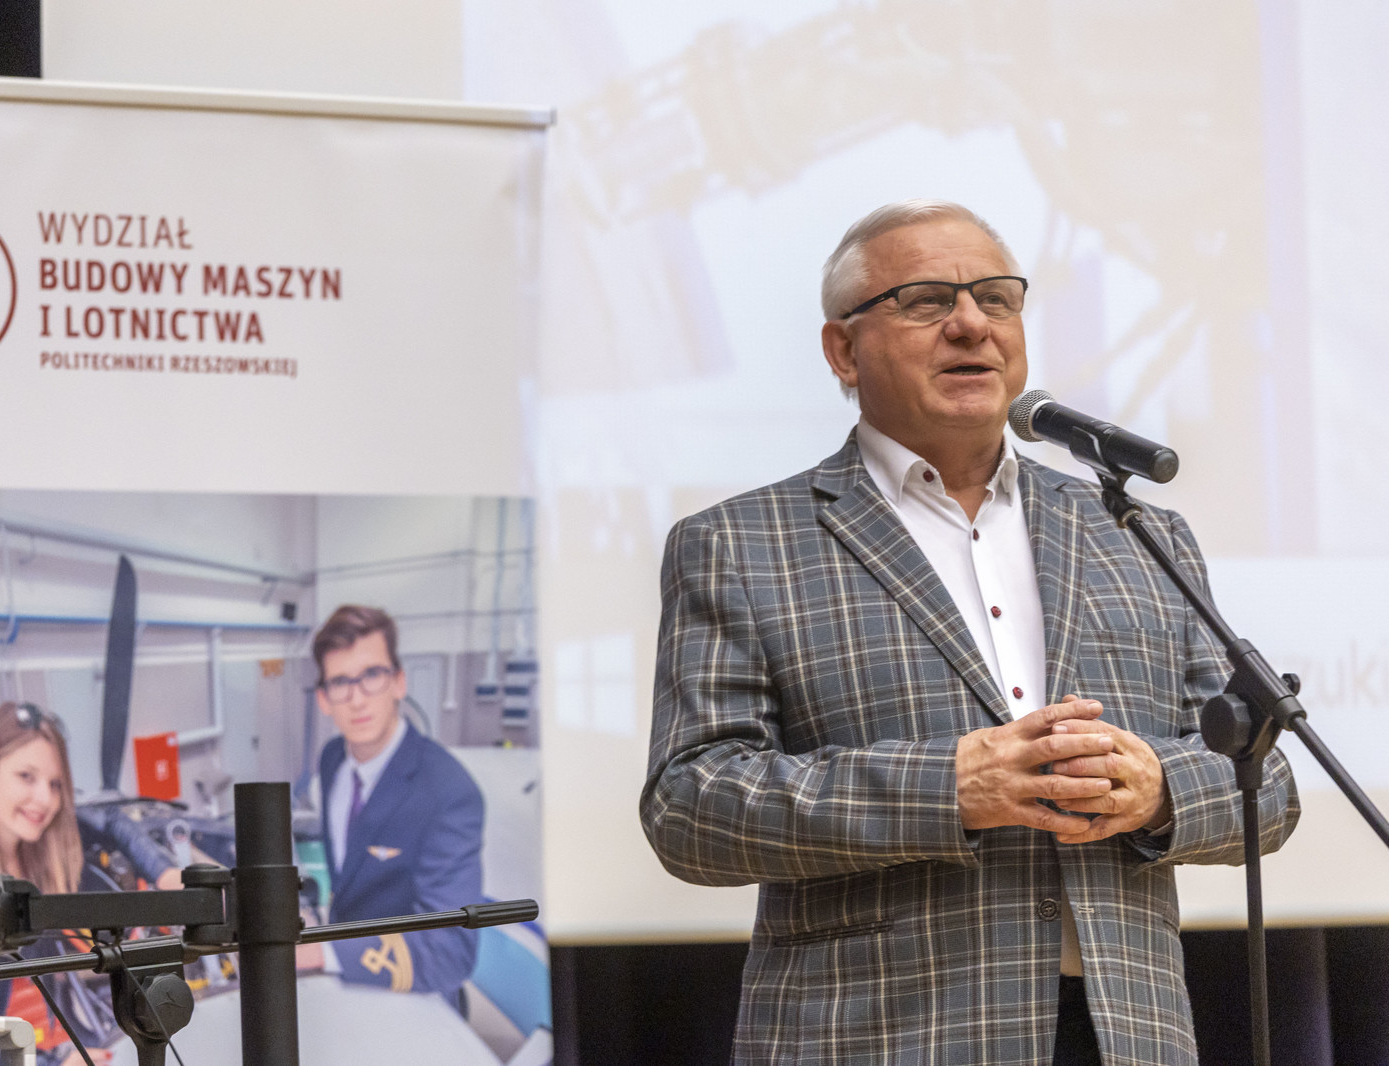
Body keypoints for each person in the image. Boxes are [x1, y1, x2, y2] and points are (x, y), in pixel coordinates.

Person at [642, 200, 1301, 1065]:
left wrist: (1156, 788)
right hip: (882, 1039)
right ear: (843, 350)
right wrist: (949, 788)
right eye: (924, 300)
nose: (970, 324)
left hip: (1126, 1036)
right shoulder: (741, 544)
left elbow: (1266, 783)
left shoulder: (1138, 533)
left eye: (996, 298)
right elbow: (689, 806)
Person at [302, 604, 484, 1004]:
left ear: (399, 682)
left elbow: (449, 950)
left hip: (415, 995)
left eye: (372, 675)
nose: (357, 699)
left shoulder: (448, 791)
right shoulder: (332, 760)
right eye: (340, 682)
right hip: (346, 985)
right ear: (324, 699)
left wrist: (320, 952)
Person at [0, 702, 117, 1066]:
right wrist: (47, 1063)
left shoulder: (33, 847)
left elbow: (111, 820)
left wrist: (163, 871)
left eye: (55, 784)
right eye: (26, 776)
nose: (45, 799)